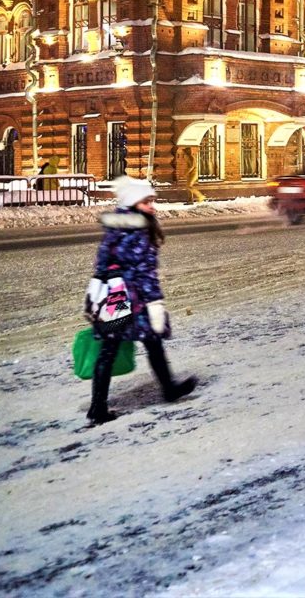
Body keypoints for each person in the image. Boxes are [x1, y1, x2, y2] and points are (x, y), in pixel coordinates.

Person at [83, 176, 196, 425]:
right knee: (145, 342)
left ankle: (99, 406)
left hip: (115, 296)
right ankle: (167, 389)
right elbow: (144, 273)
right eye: (147, 202)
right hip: (131, 297)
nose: (152, 206)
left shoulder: (117, 227)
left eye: (152, 201)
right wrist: (155, 303)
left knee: (117, 349)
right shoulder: (138, 230)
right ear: (134, 202)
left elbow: (102, 264)